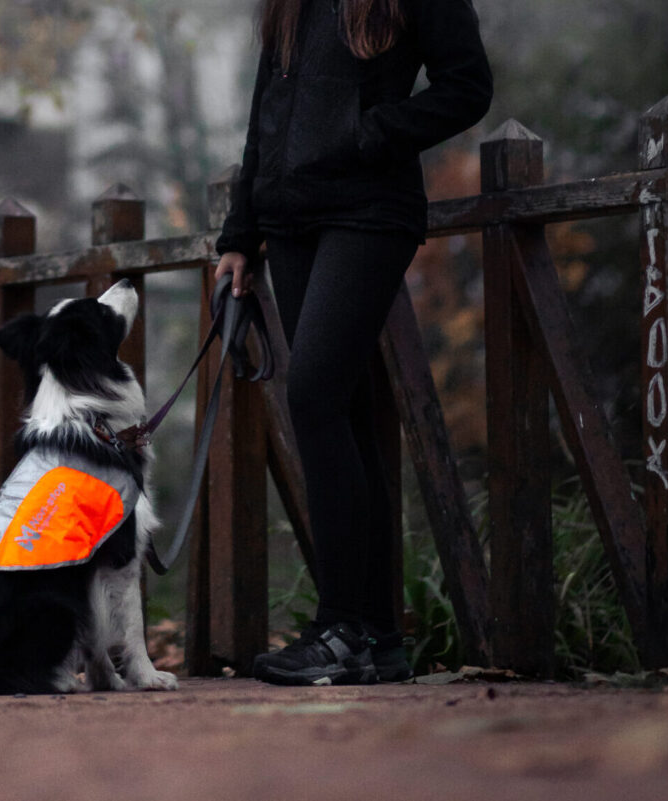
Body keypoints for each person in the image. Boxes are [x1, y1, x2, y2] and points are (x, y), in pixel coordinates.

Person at [214, 0, 492, 685]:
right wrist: (239, 233)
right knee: (346, 412)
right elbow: (266, 114)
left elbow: (467, 86)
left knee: (311, 394)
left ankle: (340, 626)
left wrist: (370, 134)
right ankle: (376, 638)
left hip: (368, 212)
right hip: (289, 221)